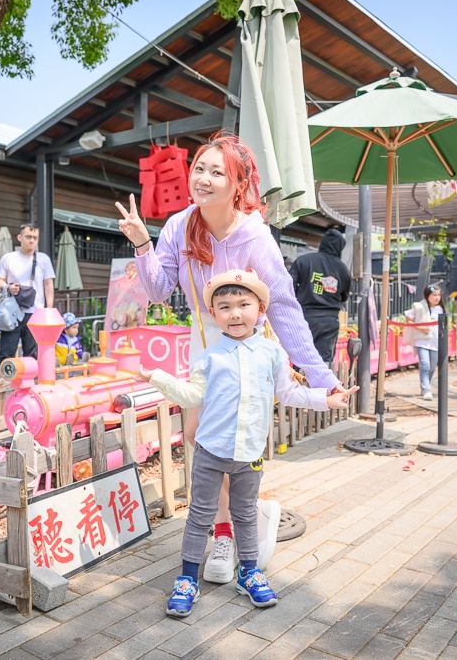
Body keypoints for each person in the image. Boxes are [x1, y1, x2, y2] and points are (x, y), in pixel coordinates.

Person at [115, 132, 349, 585]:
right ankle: (227, 526)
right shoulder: (181, 225)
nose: (202, 178)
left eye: (216, 171)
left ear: (237, 184)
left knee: (232, 443)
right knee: (199, 436)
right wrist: (144, 244)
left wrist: (323, 380)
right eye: (199, 168)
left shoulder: (254, 236)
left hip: (248, 347)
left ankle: (229, 529)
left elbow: (282, 307)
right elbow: (161, 290)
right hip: (205, 345)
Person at [138, 269, 352, 617]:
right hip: (210, 453)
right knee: (198, 516)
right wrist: (157, 377)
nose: (234, 313)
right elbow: (192, 394)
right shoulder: (208, 357)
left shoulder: (271, 353)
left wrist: (325, 400)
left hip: (249, 454)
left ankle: (249, 572)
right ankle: (187, 578)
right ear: (214, 314)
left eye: (243, 304)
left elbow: (288, 392)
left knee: (246, 516)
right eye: (224, 306)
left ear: (261, 308)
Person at [0, 223, 55, 376]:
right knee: (6, 352)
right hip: (12, 312)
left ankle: (29, 387)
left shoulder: (43, 259)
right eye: (28, 237)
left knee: (32, 354)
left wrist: (49, 310)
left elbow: (48, 285)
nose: (31, 241)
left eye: (35, 238)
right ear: (20, 238)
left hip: (36, 313)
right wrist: (8, 287)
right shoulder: (9, 258)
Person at [288, 228, 352, 363]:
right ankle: (323, 385)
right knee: (324, 361)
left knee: (301, 359)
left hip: (304, 318)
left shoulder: (304, 261)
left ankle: (301, 383)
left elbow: (289, 286)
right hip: (329, 321)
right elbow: (344, 296)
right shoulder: (342, 269)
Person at [404, 284, 445, 401]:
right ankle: (426, 389)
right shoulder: (419, 307)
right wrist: (421, 328)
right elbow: (408, 319)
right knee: (425, 365)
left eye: (438, 295)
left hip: (435, 342)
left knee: (432, 367)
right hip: (422, 340)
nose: (437, 298)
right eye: (434, 295)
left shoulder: (440, 309)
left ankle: (425, 385)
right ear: (427, 296)